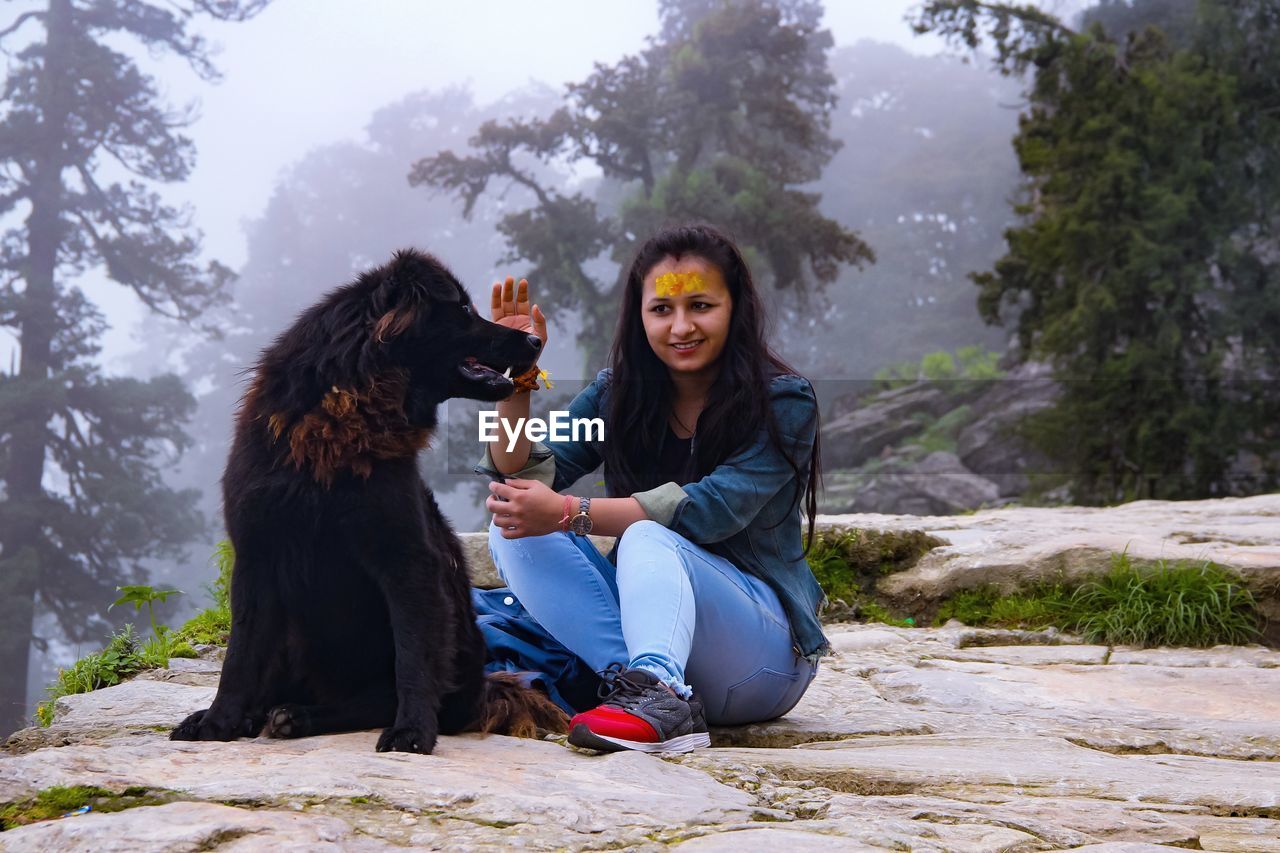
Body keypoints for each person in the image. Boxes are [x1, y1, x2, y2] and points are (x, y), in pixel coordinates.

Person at [478, 223, 828, 754]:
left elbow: (711, 510)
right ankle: (641, 691)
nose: (681, 326)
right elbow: (524, 474)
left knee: (646, 536)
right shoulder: (617, 394)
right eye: (662, 310)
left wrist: (571, 511)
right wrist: (516, 379)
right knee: (513, 525)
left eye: (701, 306)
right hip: (650, 646)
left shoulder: (783, 401)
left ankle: (657, 688)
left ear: (736, 308)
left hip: (760, 659)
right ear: (639, 316)